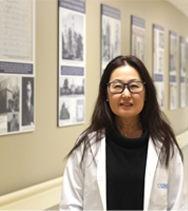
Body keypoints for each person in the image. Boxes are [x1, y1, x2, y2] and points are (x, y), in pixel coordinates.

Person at [60, 55, 187, 210]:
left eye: (134, 86)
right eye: (117, 86)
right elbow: (71, 203)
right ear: (106, 93)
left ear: (146, 93)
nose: (126, 94)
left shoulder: (166, 145)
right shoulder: (87, 145)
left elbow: (178, 204)